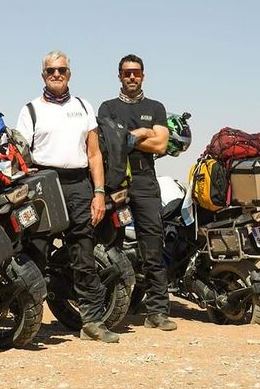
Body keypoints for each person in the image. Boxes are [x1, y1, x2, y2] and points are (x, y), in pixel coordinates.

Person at [16, 50, 118, 343]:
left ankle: (92, 323)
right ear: (43, 75)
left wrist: (99, 193)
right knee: (36, 251)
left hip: (78, 184)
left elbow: (94, 154)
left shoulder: (84, 106)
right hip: (43, 184)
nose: (57, 74)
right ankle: (29, 323)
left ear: (69, 74)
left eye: (61, 70)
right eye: (51, 70)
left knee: (84, 252)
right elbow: (20, 154)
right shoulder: (30, 110)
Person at [97, 54, 177, 331]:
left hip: (144, 182)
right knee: (110, 243)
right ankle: (111, 307)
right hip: (115, 182)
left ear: (143, 75)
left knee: (152, 246)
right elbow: (107, 142)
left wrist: (129, 136)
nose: (132, 77)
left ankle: (158, 311)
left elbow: (161, 145)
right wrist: (144, 134)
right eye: (127, 72)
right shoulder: (108, 108)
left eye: (136, 72)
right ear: (119, 76)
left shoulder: (155, 107)